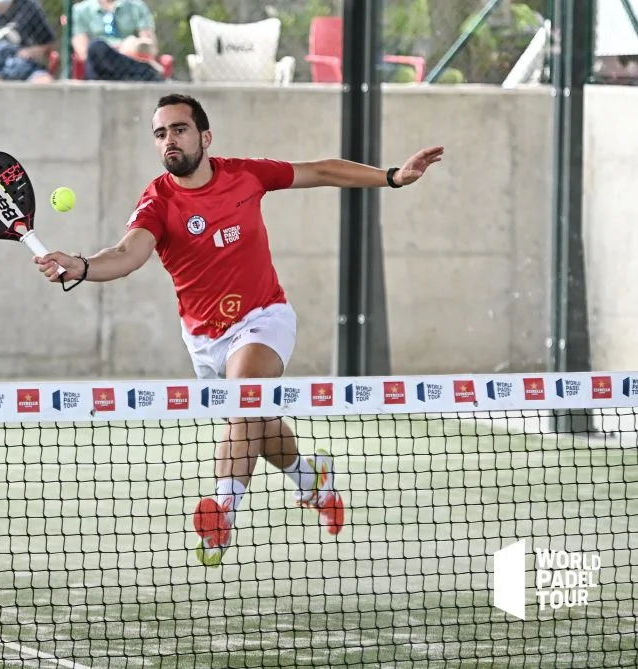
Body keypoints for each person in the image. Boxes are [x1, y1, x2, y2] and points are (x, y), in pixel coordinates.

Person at [34, 93, 444, 567]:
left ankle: (223, 513)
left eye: (180, 129)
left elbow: (322, 170)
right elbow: (128, 254)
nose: (170, 139)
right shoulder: (157, 202)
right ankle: (312, 482)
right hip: (204, 340)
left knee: (245, 397)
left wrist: (392, 177)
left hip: (263, 317)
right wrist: (81, 266)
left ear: (205, 137)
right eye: (161, 133)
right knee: (255, 425)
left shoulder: (246, 174)